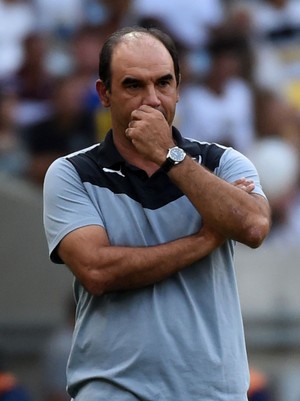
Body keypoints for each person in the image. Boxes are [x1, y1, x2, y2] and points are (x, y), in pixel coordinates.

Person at [43, 26, 271, 401]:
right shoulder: (72, 173)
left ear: (179, 87)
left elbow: (253, 225)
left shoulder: (224, 161)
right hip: (113, 391)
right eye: (134, 85)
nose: (152, 100)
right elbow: (98, 271)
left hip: (212, 393)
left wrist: (169, 156)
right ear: (104, 93)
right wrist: (206, 239)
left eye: (163, 83)